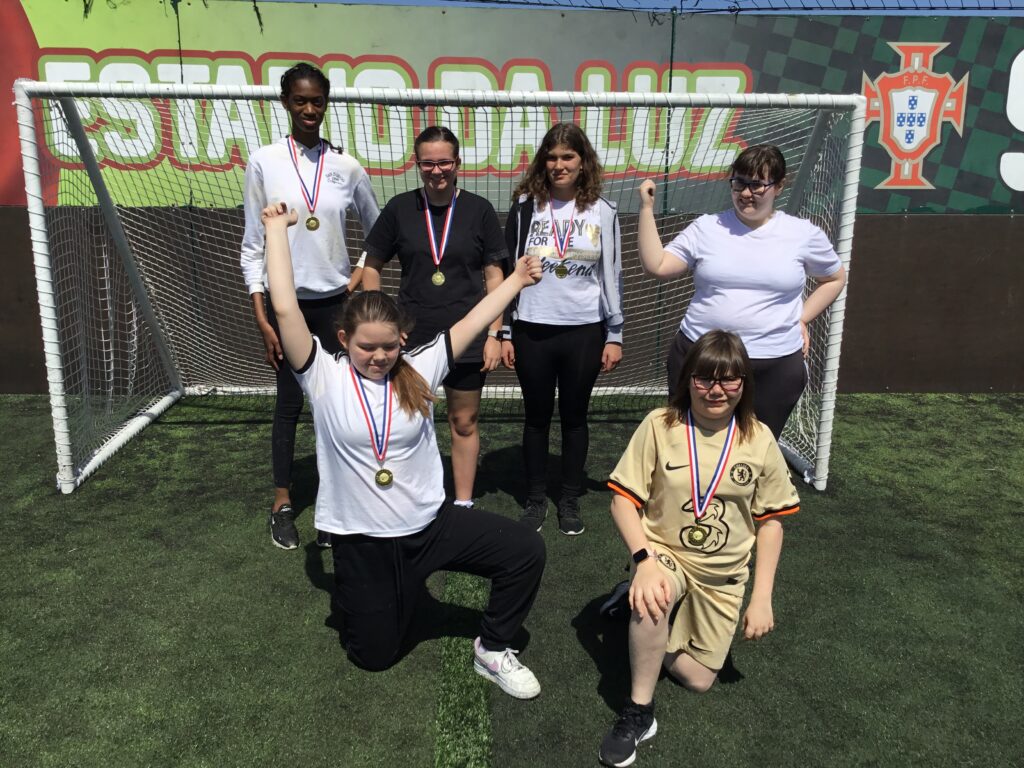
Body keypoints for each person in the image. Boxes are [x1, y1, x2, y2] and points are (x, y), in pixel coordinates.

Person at [260, 200, 547, 696]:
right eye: (367, 346)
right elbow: (285, 306)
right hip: (363, 542)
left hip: (430, 526)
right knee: (374, 656)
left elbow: (473, 318)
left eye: (388, 346)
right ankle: (397, 596)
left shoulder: (419, 367)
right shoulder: (321, 374)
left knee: (526, 551)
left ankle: (492, 649)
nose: (378, 356)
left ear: (403, 339)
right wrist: (275, 231)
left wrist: (517, 280)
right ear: (345, 338)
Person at [599, 330, 799, 767]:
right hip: (664, 553)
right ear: (688, 379)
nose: (716, 390)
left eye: (729, 380)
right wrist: (644, 561)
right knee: (654, 597)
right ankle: (639, 711)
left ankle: (636, 620)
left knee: (699, 679)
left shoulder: (760, 438)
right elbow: (622, 500)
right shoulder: (660, 425)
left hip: (722, 577)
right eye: (705, 378)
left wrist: (762, 598)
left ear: (744, 383)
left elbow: (771, 523)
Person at [240, 63, 380, 550]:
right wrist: (262, 316)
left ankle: (335, 504)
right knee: (290, 404)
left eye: (317, 100)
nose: (309, 109)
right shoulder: (264, 161)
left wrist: (361, 269)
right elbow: (253, 245)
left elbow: (378, 227)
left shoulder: (346, 166)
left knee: (337, 405)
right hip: (287, 309)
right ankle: (282, 502)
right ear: (285, 102)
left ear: (326, 103)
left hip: (337, 308)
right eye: (300, 100)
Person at [637, 144, 847, 439]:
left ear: (778, 186)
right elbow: (657, 266)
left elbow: (834, 278)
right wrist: (646, 209)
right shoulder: (707, 228)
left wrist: (802, 318)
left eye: (757, 184)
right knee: (689, 444)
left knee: (755, 448)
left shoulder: (802, 233)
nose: (746, 193)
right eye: (739, 183)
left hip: (773, 364)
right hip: (701, 358)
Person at [362, 126, 507, 509]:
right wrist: (384, 324)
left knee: (464, 422)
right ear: (418, 164)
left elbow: (495, 277)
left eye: (444, 162)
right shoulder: (398, 208)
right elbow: (371, 267)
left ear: (457, 163)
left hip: (468, 336)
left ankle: (462, 503)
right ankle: (404, 496)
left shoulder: (479, 210)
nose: (436, 170)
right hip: (412, 338)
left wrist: (495, 332)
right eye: (428, 163)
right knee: (404, 423)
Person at [502, 123, 624, 536]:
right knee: (536, 418)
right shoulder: (524, 207)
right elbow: (506, 273)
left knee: (575, 417)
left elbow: (613, 274)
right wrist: (504, 330)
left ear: (582, 161)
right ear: (543, 162)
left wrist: (615, 333)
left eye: (567, 157)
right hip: (532, 328)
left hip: (584, 330)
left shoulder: (602, 211)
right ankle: (536, 499)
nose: (559, 165)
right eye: (552, 157)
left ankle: (568, 499)